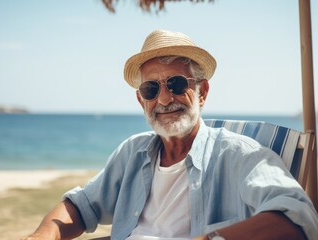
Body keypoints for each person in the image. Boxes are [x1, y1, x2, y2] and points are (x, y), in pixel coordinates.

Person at [22, 29, 318, 240]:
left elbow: (297, 216)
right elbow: (81, 206)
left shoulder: (239, 155)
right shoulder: (133, 152)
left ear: (202, 92)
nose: (164, 100)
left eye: (176, 84)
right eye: (151, 89)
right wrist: (43, 234)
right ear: (141, 100)